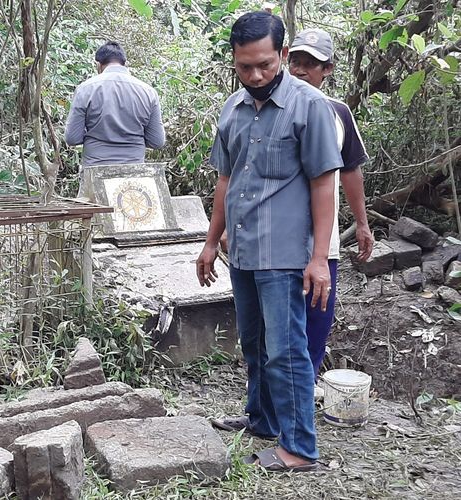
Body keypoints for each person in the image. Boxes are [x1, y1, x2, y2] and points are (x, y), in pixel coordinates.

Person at [196, 11, 342, 472]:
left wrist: (319, 258)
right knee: (254, 341)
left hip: (283, 255)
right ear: (234, 63)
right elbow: (225, 179)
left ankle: (298, 447)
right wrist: (209, 241)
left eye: (265, 64)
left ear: (282, 55)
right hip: (241, 250)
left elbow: (324, 184)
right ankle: (260, 418)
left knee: (287, 349)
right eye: (245, 66)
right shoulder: (233, 108)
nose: (255, 75)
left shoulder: (311, 106)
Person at [287, 28, 373, 384]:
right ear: (285, 60)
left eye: (312, 64)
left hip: (323, 244)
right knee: (271, 328)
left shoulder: (338, 113)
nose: (302, 70)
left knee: (315, 324)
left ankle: (299, 406)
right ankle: (264, 408)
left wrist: (363, 223)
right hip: (275, 242)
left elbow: (350, 171)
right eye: (297, 62)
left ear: (328, 70)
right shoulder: (267, 108)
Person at [64, 41, 165, 168]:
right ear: (125, 64)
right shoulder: (148, 92)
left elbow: (72, 138)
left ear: (98, 65)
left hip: (95, 170)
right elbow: (157, 141)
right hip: (134, 170)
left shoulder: (85, 89)